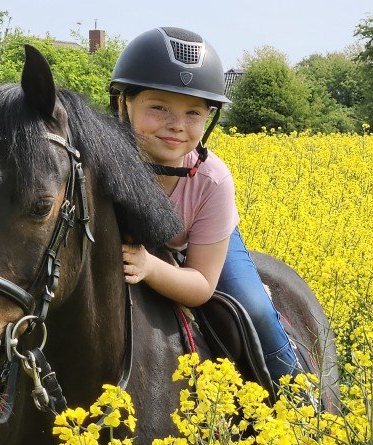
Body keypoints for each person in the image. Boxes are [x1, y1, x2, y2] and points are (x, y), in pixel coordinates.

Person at [110, 27, 299, 393]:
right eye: (158, 107)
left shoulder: (213, 179)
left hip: (202, 249)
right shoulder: (100, 163)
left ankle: (298, 398)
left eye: (193, 112)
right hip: (137, 252)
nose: (177, 125)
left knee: (253, 308)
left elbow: (200, 286)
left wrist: (150, 266)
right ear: (123, 104)